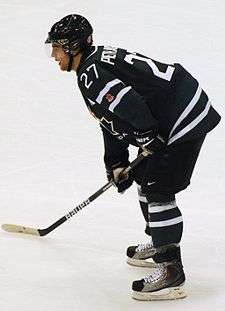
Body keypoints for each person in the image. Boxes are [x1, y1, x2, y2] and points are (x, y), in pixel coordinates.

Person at [45, 14, 221, 301]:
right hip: (176, 106)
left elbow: (131, 105)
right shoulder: (92, 65)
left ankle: (171, 271)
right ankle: (159, 240)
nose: (53, 55)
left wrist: (146, 137)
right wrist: (116, 161)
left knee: (158, 187)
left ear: (73, 46)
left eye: (57, 47)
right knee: (145, 174)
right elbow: (111, 118)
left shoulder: (91, 74)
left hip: (182, 115)